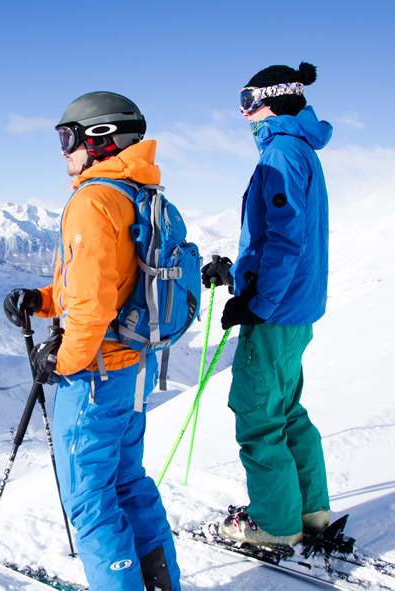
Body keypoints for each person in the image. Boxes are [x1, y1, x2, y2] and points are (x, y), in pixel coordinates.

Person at [4, 92, 180, 591]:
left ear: (100, 138)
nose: (63, 151)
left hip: (96, 377)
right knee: (130, 483)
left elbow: (92, 307)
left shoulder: (92, 200)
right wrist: (41, 300)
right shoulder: (137, 192)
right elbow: (104, 282)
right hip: (132, 369)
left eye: (67, 138)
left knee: (90, 499)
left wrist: (62, 363)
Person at [201, 61, 333, 546]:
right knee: (286, 408)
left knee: (258, 413)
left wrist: (257, 303)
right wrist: (238, 275)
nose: (244, 113)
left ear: (271, 98)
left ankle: (276, 526)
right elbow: (282, 238)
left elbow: (284, 241)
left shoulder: (279, 154)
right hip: (295, 307)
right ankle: (310, 511)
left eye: (247, 101)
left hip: (276, 311)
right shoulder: (300, 150)